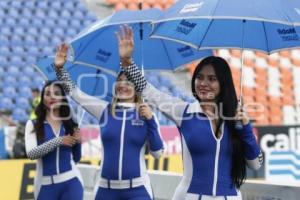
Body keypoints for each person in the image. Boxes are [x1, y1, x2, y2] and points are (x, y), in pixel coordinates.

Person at [117, 26, 263, 200]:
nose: (203, 83)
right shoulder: (184, 112)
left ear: (223, 84)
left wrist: (245, 127)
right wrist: (127, 63)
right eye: (199, 77)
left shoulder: (237, 119)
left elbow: (255, 164)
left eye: (212, 79)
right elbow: (150, 92)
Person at [54, 44, 164, 200]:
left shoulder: (146, 115)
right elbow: (75, 93)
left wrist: (151, 120)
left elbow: (158, 153)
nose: (122, 85)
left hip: (138, 190)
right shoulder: (104, 110)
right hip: (106, 190)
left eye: (128, 82)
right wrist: (60, 70)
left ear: (137, 88)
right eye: (119, 81)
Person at [25, 81, 83, 200]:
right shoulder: (32, 124)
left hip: (71, 183)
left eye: (56, 93)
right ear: (42, 97)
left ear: (62, 98)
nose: (52, 97)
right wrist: (59, 141)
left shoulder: (70, 123)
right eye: (47, 94)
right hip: (45, 186)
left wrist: (78, 142)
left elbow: (76, 158)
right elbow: (31, 154)